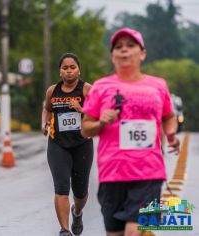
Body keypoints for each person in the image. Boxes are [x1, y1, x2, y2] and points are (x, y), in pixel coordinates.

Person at [81, 28, 180, 236]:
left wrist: (170, 133)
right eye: (118, 47)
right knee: (114, 233)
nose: (124, 51)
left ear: (142, 53)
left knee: (135, 230)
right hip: (112, 172)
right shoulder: (101, 87)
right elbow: (85, 129)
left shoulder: (158, 85)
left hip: (150, 172)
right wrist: (100, 122)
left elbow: (169, 116)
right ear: (112, 56)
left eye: (130, 45)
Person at [41, 53, 93, 236]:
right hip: (57, 144)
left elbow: (97, 114)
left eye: (72, 67)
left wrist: (81, 109)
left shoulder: (87, 90)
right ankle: (64, 230)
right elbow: (47, 109)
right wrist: (44, 123)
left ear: (78, 69)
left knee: (80, 191)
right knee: (61, 187)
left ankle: (77, 212)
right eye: (65, 68)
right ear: (60, 71)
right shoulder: (52, 91)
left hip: (82, 144)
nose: (69, 71)